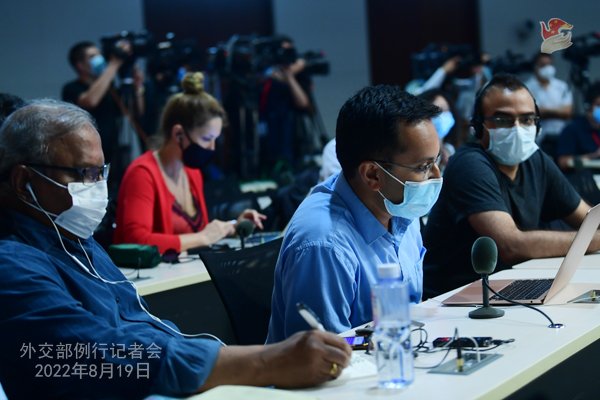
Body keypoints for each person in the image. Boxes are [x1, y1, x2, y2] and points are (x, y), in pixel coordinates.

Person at [0, 99, 351, 399]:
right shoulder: (11, 263)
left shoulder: (74, 241)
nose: (97, 187)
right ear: (23, 181)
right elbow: (99, 355)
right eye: (84, 174)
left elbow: (140, 328)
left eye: (100, 172)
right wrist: (265, 361)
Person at [267, 85, 443, 343]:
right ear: (372, 174)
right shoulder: (324, 243)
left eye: (436, 161)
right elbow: (325, 360)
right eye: (424, 167)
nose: (437, 176)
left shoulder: (399, 208)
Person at [422, 74, 600, 298]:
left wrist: (592, 236)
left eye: (527, 120)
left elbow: (590, 220)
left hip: (511, 287)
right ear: (477, 126)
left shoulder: (537, 160)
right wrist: (592, 241)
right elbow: (510, 247)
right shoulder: (469, 165)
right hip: (457, 299)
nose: (517, 129)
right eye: (503, 120)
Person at [114, 72, 265, 254]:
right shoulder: (142, 173)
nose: (212, 147)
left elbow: (194, 236)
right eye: (206, 139)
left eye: (215, 139)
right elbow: (136, 240)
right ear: (178, 134)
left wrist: (232, 227)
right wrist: (204, 237)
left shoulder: (192, 172)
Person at [62, 41, 146, 194]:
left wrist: (138, 88)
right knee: (95, 195)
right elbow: (90, 100)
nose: (99, 59)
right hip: (88, 158)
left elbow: (134, 112)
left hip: (114, 155)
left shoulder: (110, 88)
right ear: (80, 65)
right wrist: (113, 66)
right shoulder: (71, 89)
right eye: (92, 56)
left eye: (99, 54)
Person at [525, 53, 573, 158]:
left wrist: (544, 111)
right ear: (535, 67)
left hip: (562, 137)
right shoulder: (527, 88)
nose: (547, 68)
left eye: (549, 64)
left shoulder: (562, 86)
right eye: (543, 65)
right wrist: (558, 111)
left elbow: (568, 112)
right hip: (539, 139)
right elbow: (531, 113)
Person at [556, 83, 600, 170]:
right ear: (588, 106)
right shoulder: (572, 129)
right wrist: (593, 156)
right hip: (582, 178)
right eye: (599, 105)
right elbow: (562, 161)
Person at [418, 89, 457, 170]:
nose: (444, 116)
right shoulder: (418, 152)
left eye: (447, 110)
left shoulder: (449, 149)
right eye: (438, 111)